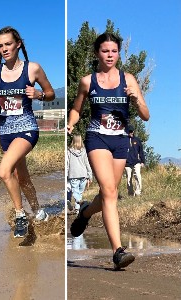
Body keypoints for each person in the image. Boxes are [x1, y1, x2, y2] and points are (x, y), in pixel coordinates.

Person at [67, 32, 149, 270]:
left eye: (114, 51)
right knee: (110, 191)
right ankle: (118, 251)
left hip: (121, 140)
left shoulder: (129, 80)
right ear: (97, 53)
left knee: (107, 196)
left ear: (118, 53)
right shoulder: (87, 81)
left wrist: (136, 99)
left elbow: (145, 115)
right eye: (105, 51)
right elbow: (76, 109)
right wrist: (71, 123)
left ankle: (85, 212)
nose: (110, 55)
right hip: (97, 138)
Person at [0, 26, 55, 238]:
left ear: (18, 44)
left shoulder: (32, 68)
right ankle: (40, 213)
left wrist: (39, 94)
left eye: (8, 44)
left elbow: (50, 93)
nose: (4, 49)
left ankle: (20, 214)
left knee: (4, 171)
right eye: (0, 46)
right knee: (21, 177)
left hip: (26, 127)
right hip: (5, 129)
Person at [67, 134, 92, 212]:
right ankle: (78, 207)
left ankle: (78, 205)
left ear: (73, 140)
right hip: (83, 173)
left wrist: (66, 174)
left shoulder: (69, 150)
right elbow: (87, 163)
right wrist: (90, 174)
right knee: (80, 192)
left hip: (73, 174)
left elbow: (67, 163)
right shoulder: (84, 150)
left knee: (75, 191)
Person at [125, 125, 145, 196]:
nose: (130, 133)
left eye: (131, 131)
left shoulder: (137, 140)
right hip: (127, 163)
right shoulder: (124, 140)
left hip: (136, 162)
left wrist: (143, 161)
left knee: (137, 175)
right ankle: (130, 193)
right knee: (128, 179)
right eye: (129, 131)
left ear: (133, 131)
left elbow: (141, 151)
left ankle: (138, 192)